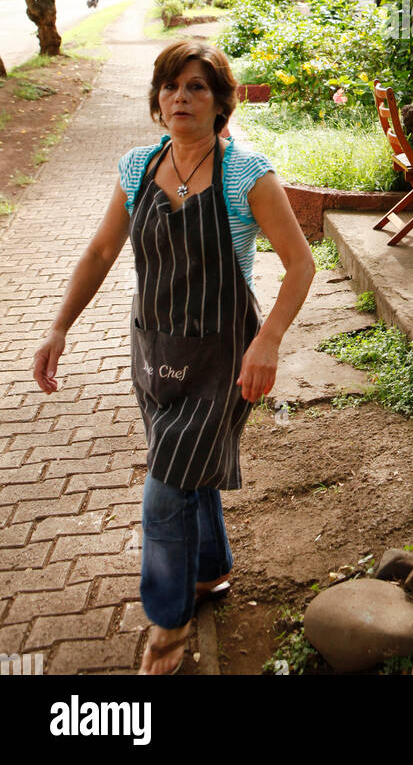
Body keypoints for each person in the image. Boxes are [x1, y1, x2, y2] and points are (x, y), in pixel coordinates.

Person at [33, 40, 316, 675]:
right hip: (154, 350)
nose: (180, 98)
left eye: (195, 88)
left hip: (223, 357)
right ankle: (209, 571)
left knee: (164, 487)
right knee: (187, 468)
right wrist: (57, 329)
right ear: (157, 100)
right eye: (169, 87)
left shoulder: (249, 175)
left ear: (220, 103)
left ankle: (167, 623)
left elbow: (301, 265)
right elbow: (102, 253)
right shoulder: (137, 169)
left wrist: (267, 341)